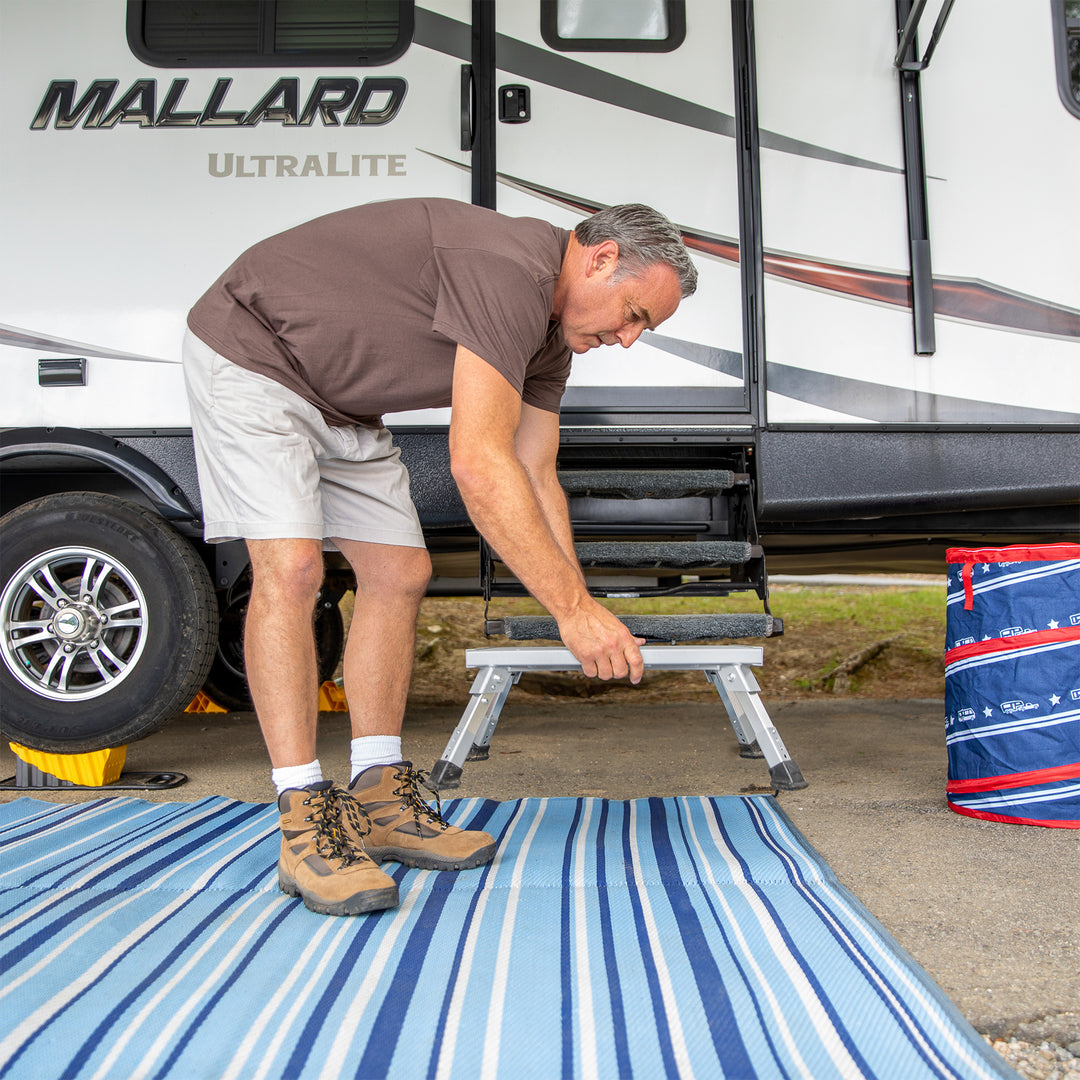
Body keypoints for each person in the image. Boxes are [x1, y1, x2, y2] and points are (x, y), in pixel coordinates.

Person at [183, 198, 697, 916]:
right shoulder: (508, 271)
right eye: (635, 314)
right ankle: (302, 820)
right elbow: (479, 465)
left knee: (401, 572)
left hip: (341, 404)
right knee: (293, 569)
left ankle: (379, 797)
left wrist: (578, 605)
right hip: (255, 357)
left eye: (645, 328)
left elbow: (534, 471)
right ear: (601, 258)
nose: (630, 338)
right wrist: (572, 612)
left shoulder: (551, 341)